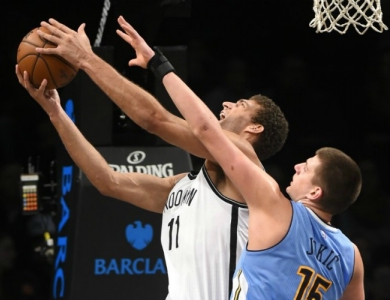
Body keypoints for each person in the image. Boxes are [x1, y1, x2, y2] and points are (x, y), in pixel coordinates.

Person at [18, 17, 288, 300]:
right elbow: (107, 181)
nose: (227, 103)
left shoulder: (246, 163)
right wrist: (56, 114)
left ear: (254, 129)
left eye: (241, 105)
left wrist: (86, 59)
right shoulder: (184, 186)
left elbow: (155, 120)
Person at [135, 28, 366, 299]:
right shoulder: (352, 256)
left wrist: (158, 64)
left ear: (316, 192)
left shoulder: (279, 209)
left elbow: (201, 129)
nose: (296, 167)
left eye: (307, 167)